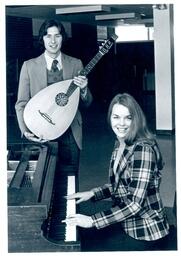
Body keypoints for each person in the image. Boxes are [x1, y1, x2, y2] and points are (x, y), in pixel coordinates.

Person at [15, 19, 93, 243]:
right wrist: (25, 129)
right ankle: (45, 232)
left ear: (62, 38)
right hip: (41, 134)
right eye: (48, 36)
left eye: (57, 35)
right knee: (44, 185)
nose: (52, 40)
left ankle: (69, 228)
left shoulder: (76, 63)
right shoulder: (29, 66)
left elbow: (86, 103)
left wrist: (85, 89)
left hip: (70, 134)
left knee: (70, 182)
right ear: (42, 39)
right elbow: (21, 103)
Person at [63, 93, 171, 251]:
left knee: (85, 244)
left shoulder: (142, 150)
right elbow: (122, 185)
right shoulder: (121, 143)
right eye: (116, 117)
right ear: (110, 118)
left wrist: (92, 221)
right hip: (126, 220)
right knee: (80, 227)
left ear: (136, 119)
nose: (121, 123)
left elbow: (134, 204)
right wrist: (92, 193)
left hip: (144, 231)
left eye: (128, 118)